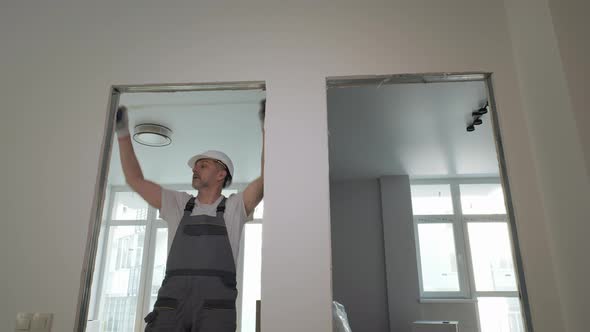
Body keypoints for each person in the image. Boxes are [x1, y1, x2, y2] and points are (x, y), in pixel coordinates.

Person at [114, 100, 265, 331]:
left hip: (215, 311)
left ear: (221, 174)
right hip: (171, 308)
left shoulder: (235, 208)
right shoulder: (178, 204)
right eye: (196, 166)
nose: (195, 169)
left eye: (202, 165)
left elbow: (267, 178)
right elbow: (135, 180)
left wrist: (269, 128)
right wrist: (122, 132)